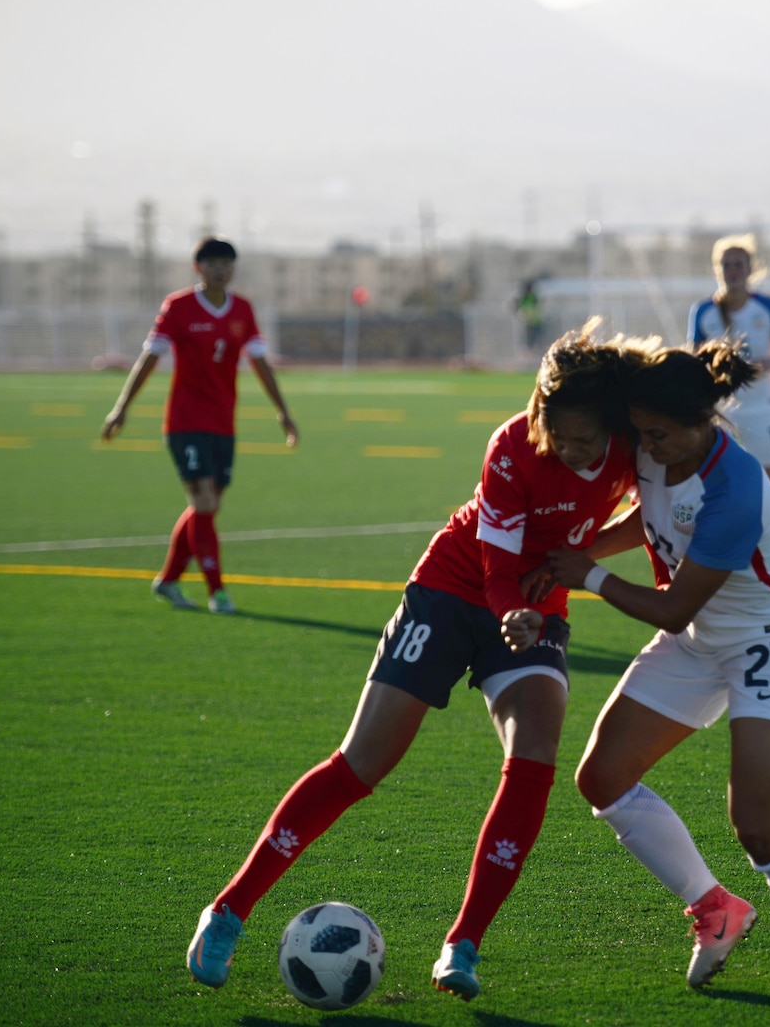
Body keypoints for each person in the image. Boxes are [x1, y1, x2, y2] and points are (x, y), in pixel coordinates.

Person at [183, 325, 636, 1002]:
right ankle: (227, 911)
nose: (570, 451)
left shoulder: (634, 447)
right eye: (559, 436)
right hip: (456, 590)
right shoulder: (514, 445)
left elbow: (654, 519)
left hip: (537, 603)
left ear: (612, 426)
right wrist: (517, 605)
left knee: (536, 751)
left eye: (585, 442)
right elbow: (495, 563)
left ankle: (464, 943)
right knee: (362, 763)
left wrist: (582, 558)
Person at [542, 335, 770, 998]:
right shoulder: (656, 440)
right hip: (698, 639)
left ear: (702, 423)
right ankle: (714, 907)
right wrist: (580, 547)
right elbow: (653, 516)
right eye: (640, 434)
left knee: (754, 822)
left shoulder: (735, 487)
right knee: (602, 777)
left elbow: (672, 605)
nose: (647, 448)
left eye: (659, 436)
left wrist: (588, 573)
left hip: (766, 639)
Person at [101, 237, 297, 614]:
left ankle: (169, 580)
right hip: (185, 421)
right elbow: (149, 358)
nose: (220, 270)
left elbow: (260, 363)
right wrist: (121, 407)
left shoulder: (243, 310)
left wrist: (283, 411)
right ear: (198, 268)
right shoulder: (178, 307)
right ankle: (217, 592)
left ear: (233, 268)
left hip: (223, 421)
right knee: (204, 502)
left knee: (208, 506)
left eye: (226, 263)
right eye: (212, 263)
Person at [687, 235, 770, 498]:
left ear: (751, 269)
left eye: (738, 264)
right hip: (719, 413)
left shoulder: (768, 307)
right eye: (726, 265)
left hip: (761, 410)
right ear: (717, 269)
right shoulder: (703, 311)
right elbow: (693, 363)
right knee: (715, 489)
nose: (732, 270)